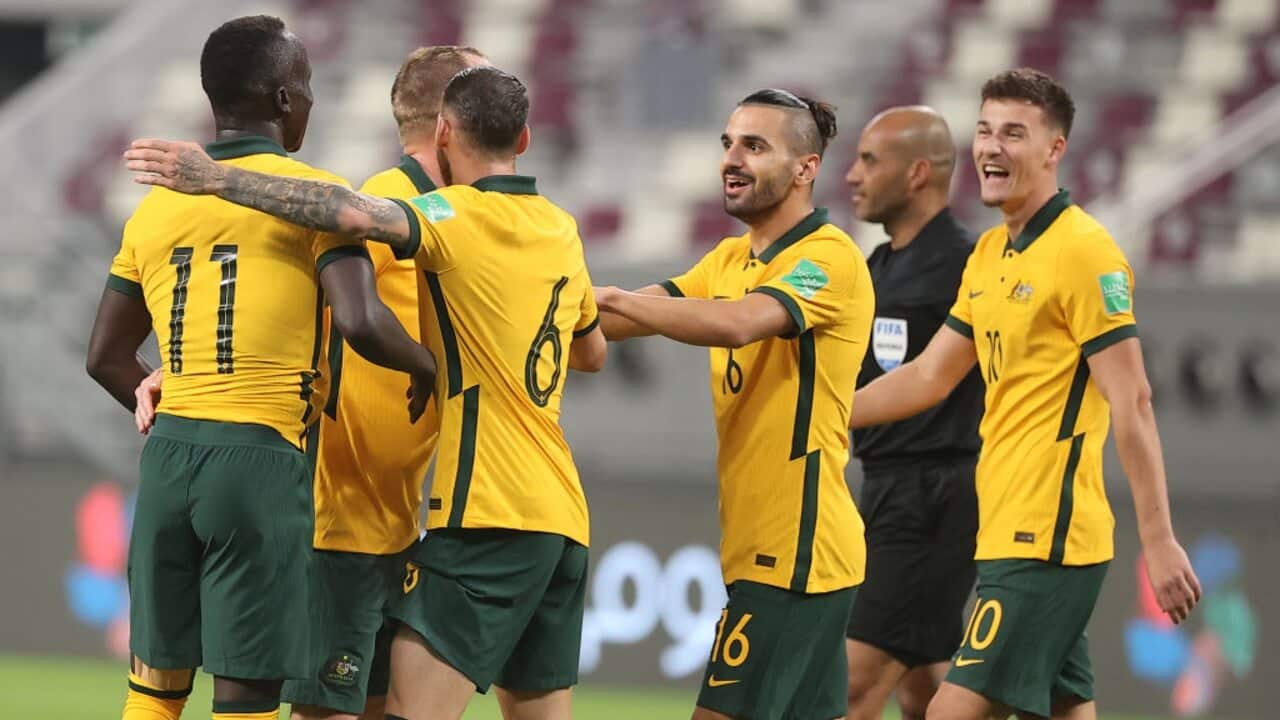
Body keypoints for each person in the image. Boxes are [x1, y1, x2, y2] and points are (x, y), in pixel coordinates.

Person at [122, 65, 608, 720]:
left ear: (448, 131)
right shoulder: (543, 224)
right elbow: (591, 349)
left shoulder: (450, 217)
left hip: (448, 515)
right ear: (519, 137)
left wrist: (216, 178)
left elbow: (344, 237)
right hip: (451, 517)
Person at [87, 15, 435, 720]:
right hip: (258, 461)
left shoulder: (155, 210)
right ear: (283, 99)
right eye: (304, 88)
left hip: (167, 461)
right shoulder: (314, 199)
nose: (309, 102)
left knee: (154, 687)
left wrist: (147, 385)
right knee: (246, 696)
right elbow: (364, 323)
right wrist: (425, 364)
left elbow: (104, 356)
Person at [846, 68, 1202, 720]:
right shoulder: (988, 255)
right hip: (1002, 531)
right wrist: (824, 413)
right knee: (1064, 709)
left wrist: (1159, 539)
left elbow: (1134, 400)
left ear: (1054, 150)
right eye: (984, 130)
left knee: (949, 712)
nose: (991, 147)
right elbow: (929, 375)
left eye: (1014, 133)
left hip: (1049, 536)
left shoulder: (1086, 253)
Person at [592, 89, 873, 720]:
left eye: (755, 145)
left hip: (798, 555)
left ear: (806, 168)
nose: (732, 158)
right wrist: (547, 305)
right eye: (727, 143)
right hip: (767, 552)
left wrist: (616, 299)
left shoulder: (827, 259)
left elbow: (739, 323)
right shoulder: (728, 259)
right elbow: (625, 316)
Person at [841, 106, 983, 720]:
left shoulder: (969, 265)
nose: (852, 175)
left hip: (933, 496)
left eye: (870, 160)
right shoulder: (878, 266)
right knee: (923, 693)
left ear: (918, 172)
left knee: (850, 685)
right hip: (883, 489)